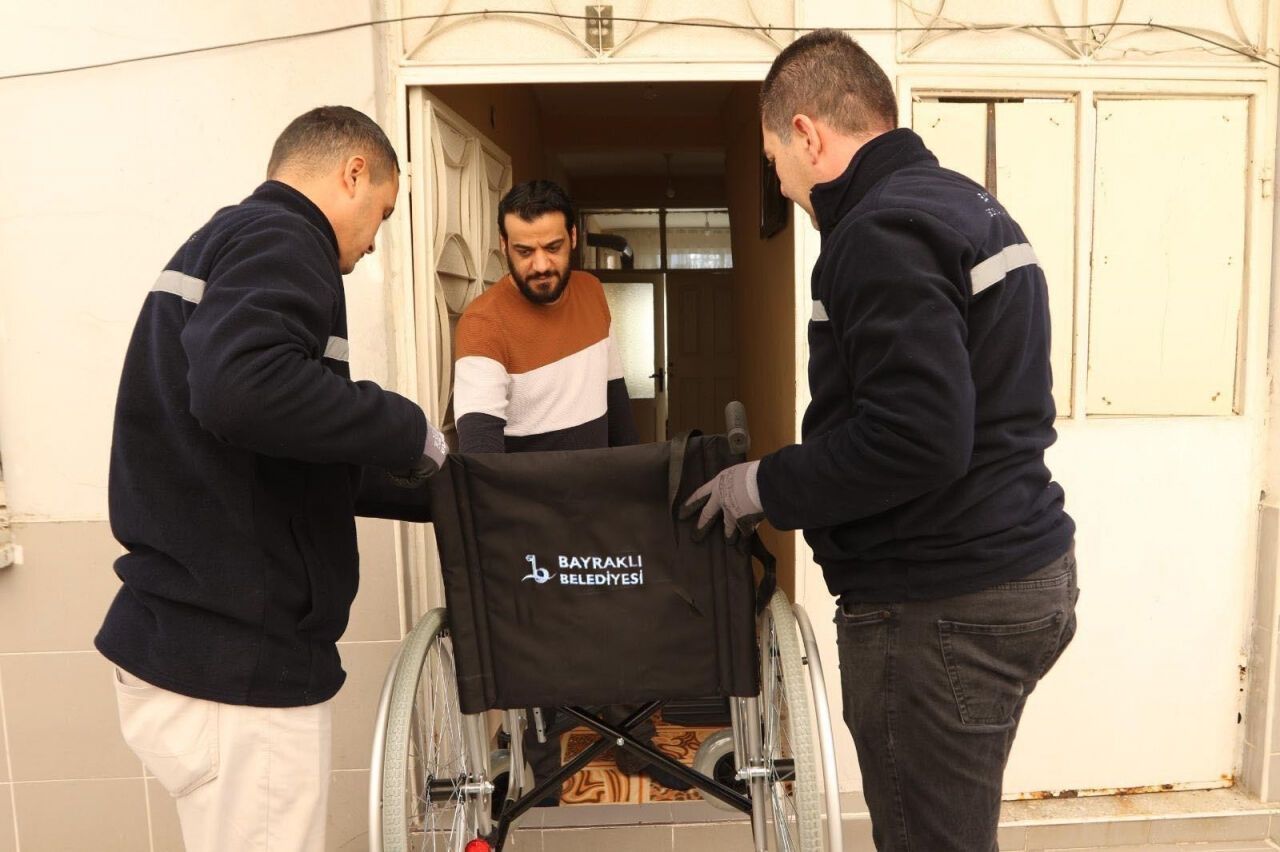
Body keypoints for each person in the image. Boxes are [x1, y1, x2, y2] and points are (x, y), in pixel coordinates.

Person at [683, 30, 1078, 851]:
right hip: (1017, 570)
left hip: (938, 605)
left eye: (774, 160)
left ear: (806, 134)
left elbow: (917, 436)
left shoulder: (877, 232)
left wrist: (765, 485)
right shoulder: (966, 205)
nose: (780, 183)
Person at [96, 106, 447, 852]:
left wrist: (447, 487)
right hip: (237, 667)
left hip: (202, 648)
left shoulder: (225, 240)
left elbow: (281, 447)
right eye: (383, 214)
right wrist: (405, 426)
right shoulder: (285, 237)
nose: (373, 244)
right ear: (354, 171)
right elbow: (243, 391)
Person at [452, 179, 691, 798]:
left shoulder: (590, 293)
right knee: (541, 645)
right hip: (530, 517)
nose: (540, 264)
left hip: (602, 500)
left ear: (574, 239)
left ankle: (635, 743)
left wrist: (638, 484)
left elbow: (615, 402)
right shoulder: (483, 324)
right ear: (502, 247)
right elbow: (480, 452)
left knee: (629, 622)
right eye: (524, 251)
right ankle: (540, 772)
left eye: (553, 248)